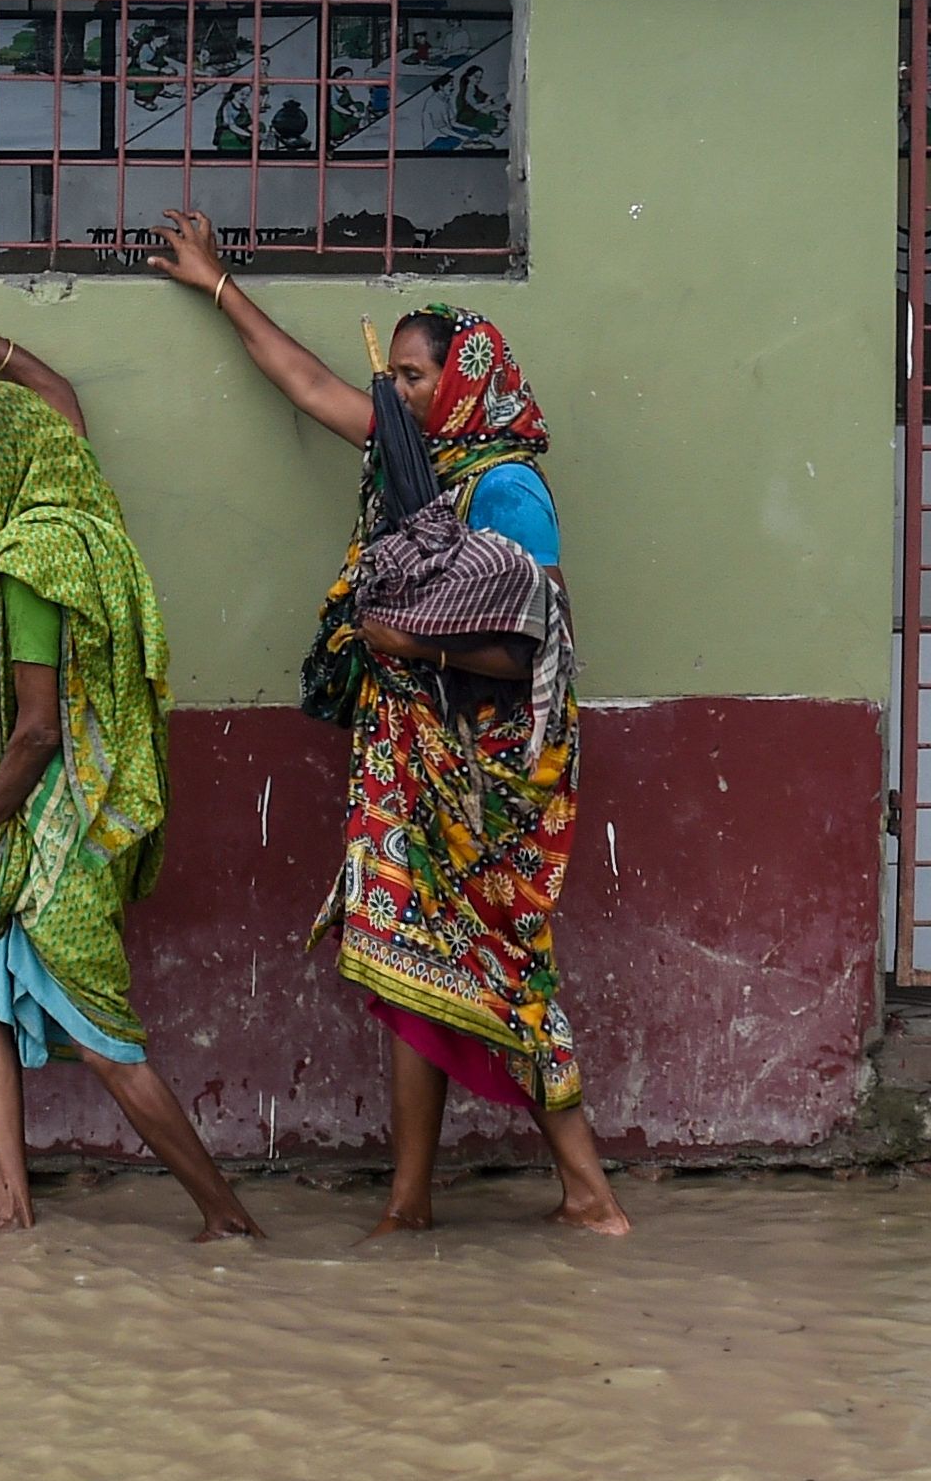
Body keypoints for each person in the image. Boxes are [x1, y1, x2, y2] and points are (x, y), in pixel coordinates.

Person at [145, 210, 632, 1240]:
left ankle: (587, 1190)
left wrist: (414, 648)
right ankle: (406, 1202)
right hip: (407, 760)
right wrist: (215, 284)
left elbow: (527, 646)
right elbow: (309, 382)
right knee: (409, 963)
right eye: (397, 376)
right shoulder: (415, 465)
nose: (392, 391)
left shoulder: (504, 490)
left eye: (410, 376)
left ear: (461, 383)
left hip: (484, 779)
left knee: (504, 964)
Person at [0, 247, 265, 1243]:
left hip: (50, 829)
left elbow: (36, 729)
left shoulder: (24, 565)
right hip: (69, 813)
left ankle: (224, 1215)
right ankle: (9, 1208)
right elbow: (54, 390)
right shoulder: (78, 504)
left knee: (105, 1042)